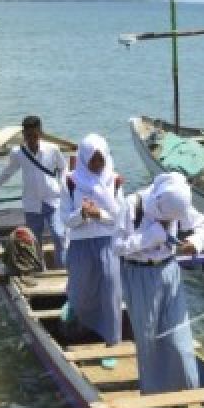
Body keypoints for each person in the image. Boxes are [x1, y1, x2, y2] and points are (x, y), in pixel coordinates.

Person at [117, 172, 204, 408]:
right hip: (138, 274)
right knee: (149, 339)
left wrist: (196, 242)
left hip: (169, 271)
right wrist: (152, 236)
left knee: (178, 337)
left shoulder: (178, 201)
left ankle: (180, 398)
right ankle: (155, 402)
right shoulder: (132, 204)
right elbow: (117, 246)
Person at [59, 133, 124, 350]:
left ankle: (111, 342)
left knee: (111, 294)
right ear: (84, 159)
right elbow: (66, 219)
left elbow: (120, 219)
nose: (97, 164)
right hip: (80, 245)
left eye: (101, 159)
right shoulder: (70, 181)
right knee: (80, 293)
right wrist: (82, 214)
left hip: (107, 244)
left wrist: (99, 215)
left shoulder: (114, 181)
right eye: (92, 160)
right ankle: (79, 336)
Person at [0, 115, 68, 266]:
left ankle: (62, 270)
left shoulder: (52, 149)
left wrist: (63, 184)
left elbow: (63, 167)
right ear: (23, 134)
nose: (31, 139)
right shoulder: (18, 152)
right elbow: (8, 171)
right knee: (34, 240)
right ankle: (38, 270)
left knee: (59, 234)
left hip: (52, 199)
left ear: (40, 133)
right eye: (28, 135)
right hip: (32, 203)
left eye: (34, 135)